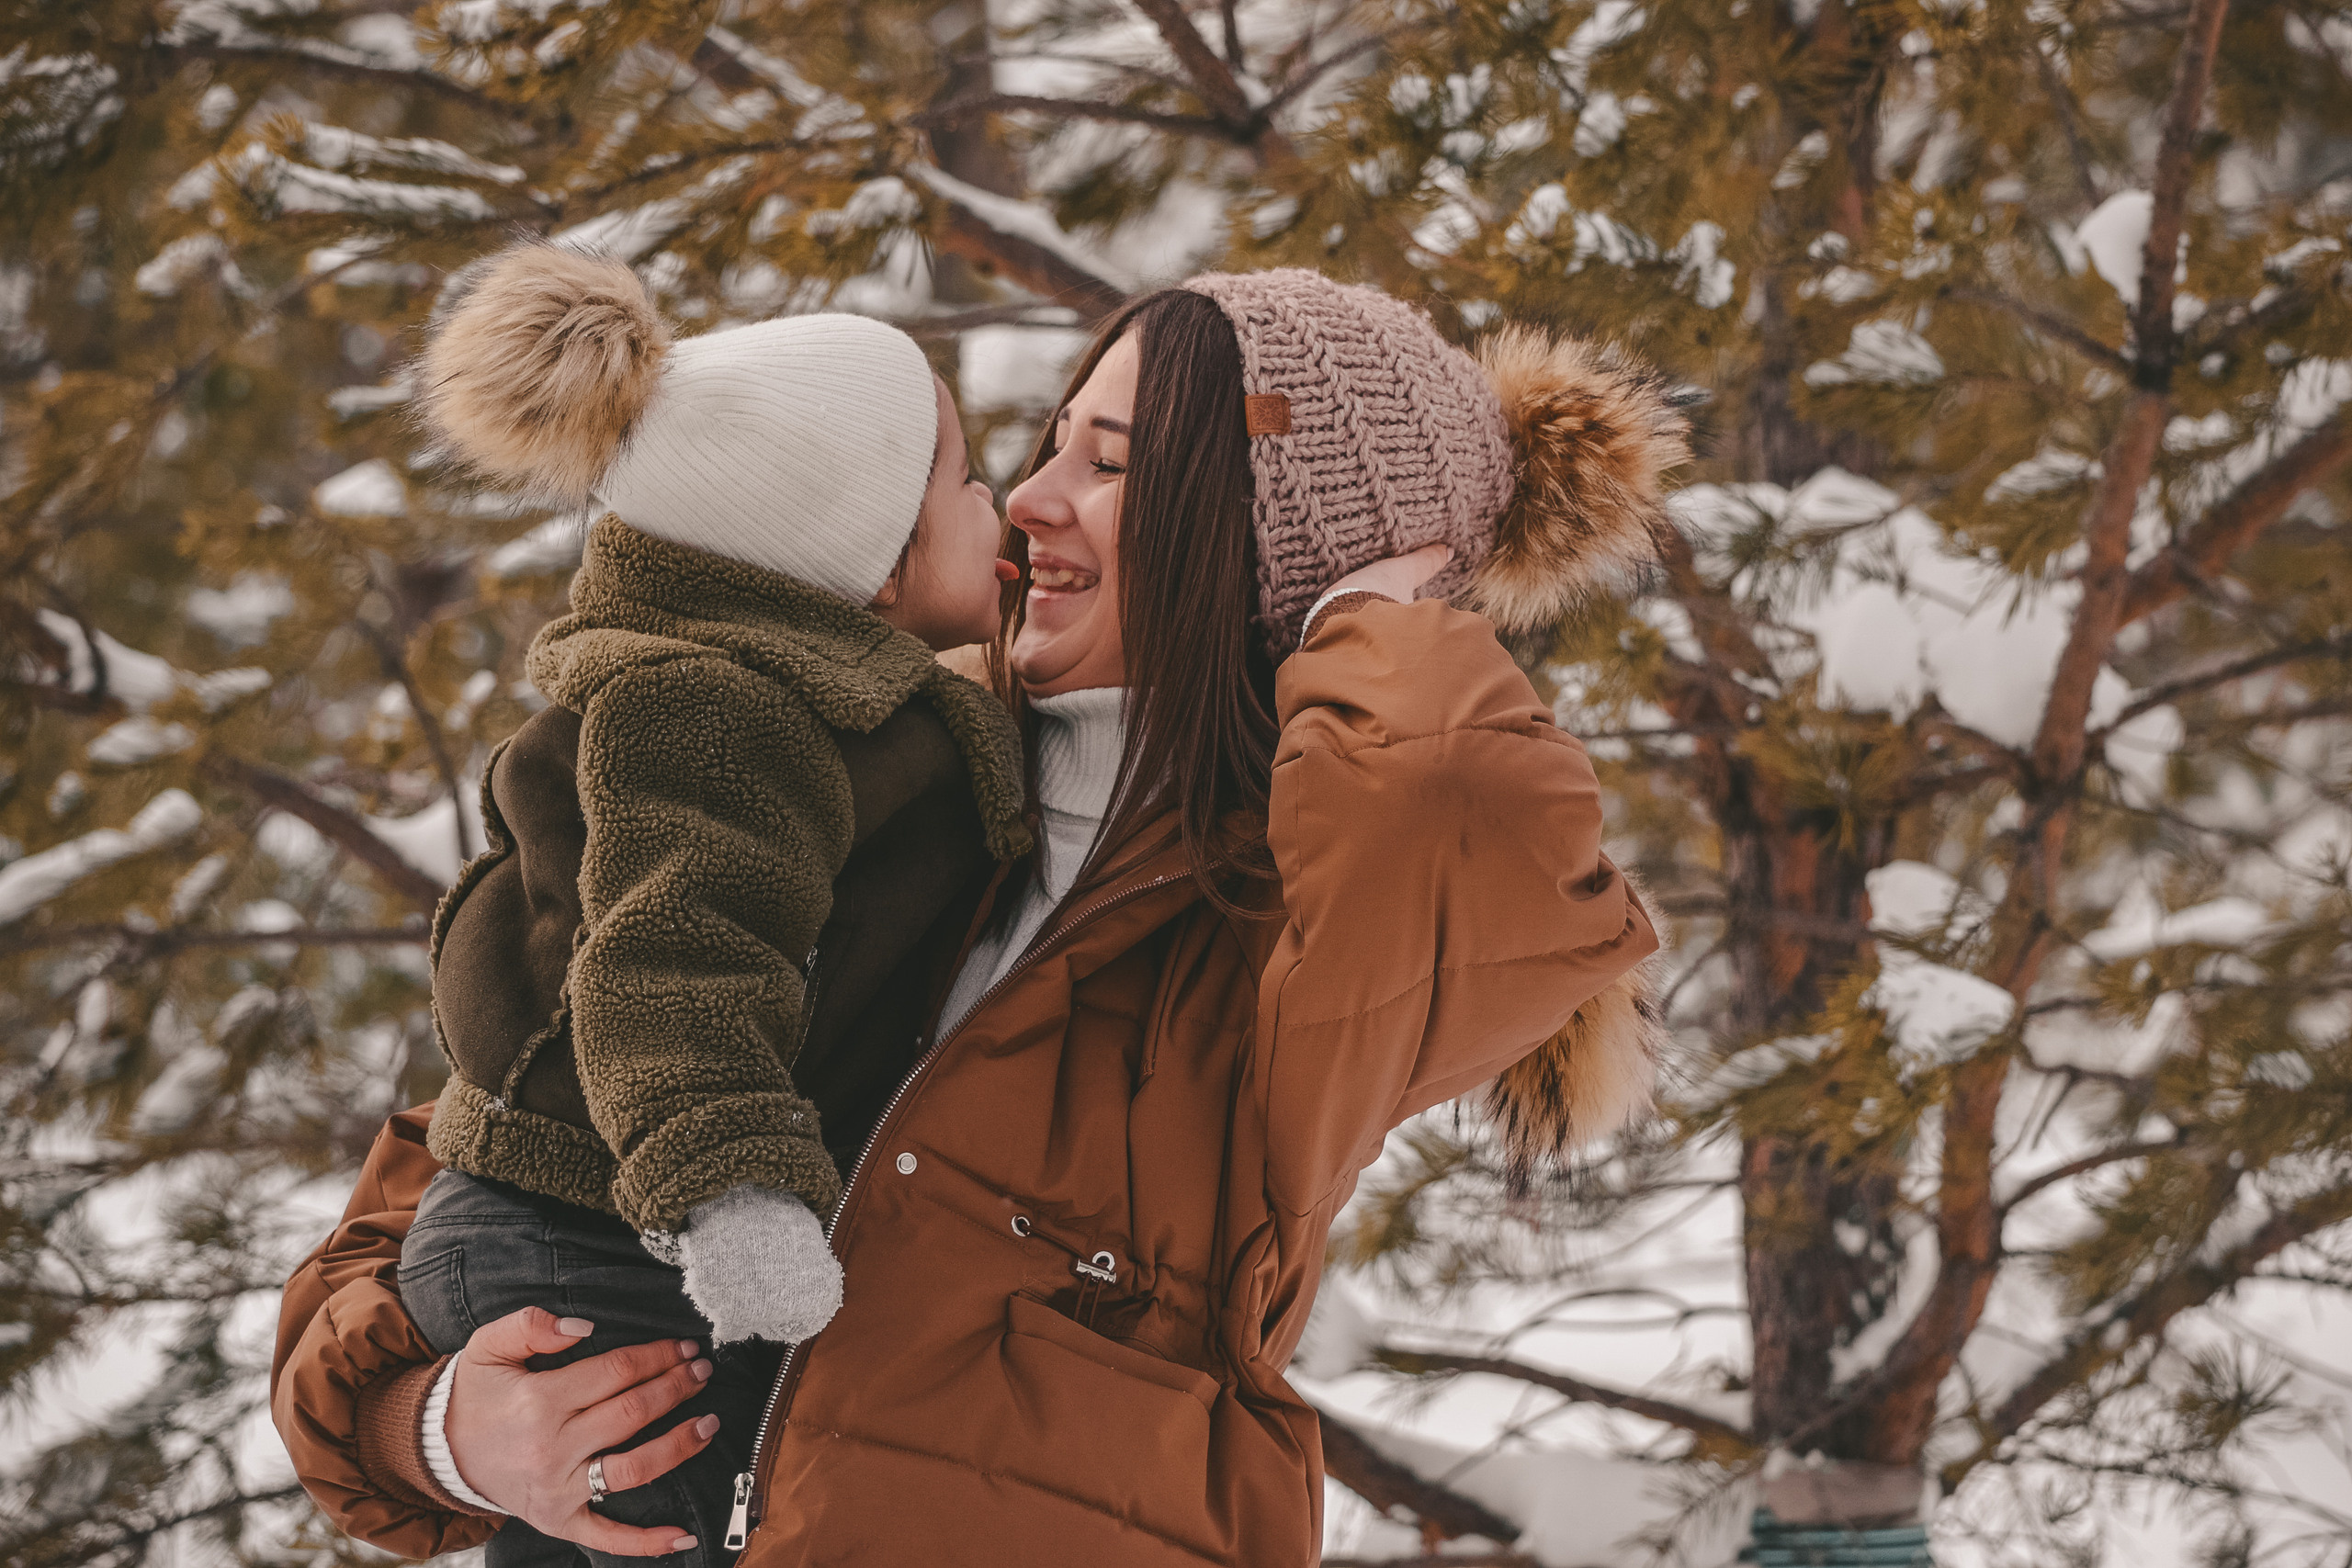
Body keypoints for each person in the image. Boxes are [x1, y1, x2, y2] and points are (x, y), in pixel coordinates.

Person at [272, 268, 1690, 1567]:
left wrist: (1364, 611)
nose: (1027, 499)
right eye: (1049, 444)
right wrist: (440, 1429)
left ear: (1262, 541)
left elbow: (1461, 801)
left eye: (1111, 464)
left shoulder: (1295, 938)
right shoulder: (854, 773)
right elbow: (480, 1171)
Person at [378, 239, 1032, 1567]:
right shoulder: (716, 713)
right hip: (597, 1238)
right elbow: (673, 964)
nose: (1005, 507)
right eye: (966, 482)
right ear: (873, 565)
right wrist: (733, 1194)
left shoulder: (806, 706)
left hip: (600, 1225)